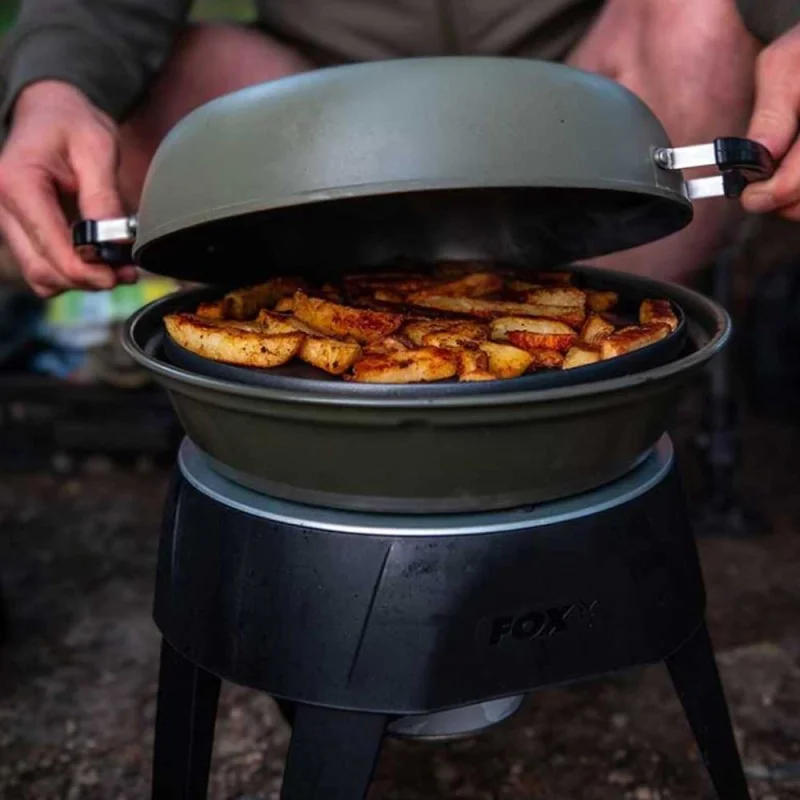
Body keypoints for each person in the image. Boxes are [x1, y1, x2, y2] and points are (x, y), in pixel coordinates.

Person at [0, 0, 797, 297]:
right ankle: (322, 380)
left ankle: (587, 385)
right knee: (167, 83)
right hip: (323, 117)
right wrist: (56, 84)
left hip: (579, 100)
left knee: (699, 19)